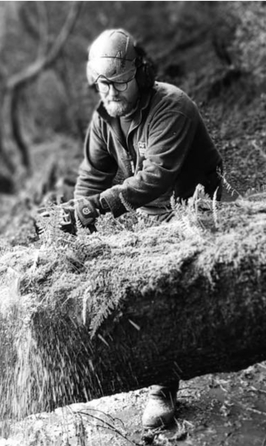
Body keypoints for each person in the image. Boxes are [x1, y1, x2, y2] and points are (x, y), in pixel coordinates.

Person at [60, 29, 223, 430]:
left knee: (164, 287)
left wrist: (100, 206)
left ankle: (162, 385)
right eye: (102, 84)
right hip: (153, 216)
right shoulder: (104, 118)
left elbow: (156, 178)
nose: (110, 92)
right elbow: (93, 175)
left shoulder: (171, 108)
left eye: (118, 82)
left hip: (200, 209)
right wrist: (78, 220)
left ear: (142, 75)